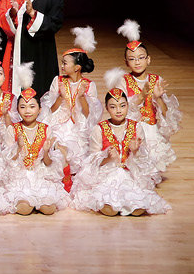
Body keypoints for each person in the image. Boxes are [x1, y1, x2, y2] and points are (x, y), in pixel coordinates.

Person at [70, 87, 170, 216]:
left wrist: (135, 151)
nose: (118, 110)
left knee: (138, 210)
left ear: (127, 106)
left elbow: (144, 162)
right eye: (113, 107)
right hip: (107, 175)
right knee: (110, 210)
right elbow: (92, 162)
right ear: (107, 108)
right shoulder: (99, 129)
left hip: (130, 175)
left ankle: (126, 205)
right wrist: (107, 157)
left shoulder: (136, 127)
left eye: (122, 106)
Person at [0, 0, 65, 96]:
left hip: (42, 51)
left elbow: (55, 23)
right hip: (16, 48)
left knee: (41, 89)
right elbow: (0, 16)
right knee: (15, 88)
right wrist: (12, 14)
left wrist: (33, 14)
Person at [5, 86, 70, 215]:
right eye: (23, 107)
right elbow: (8, 162)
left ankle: (36, 202)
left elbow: (47, 163)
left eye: (32, 107)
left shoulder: (46, 129)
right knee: (24, 209)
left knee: (48, 209)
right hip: (20, 176)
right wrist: (17, 148)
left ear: (40, 109)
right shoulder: (12, 129)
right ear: (17, 110)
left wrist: (46, 151)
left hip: (40, 176)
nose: (27, 111)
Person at [116, 20, 183, 141]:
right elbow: (120, 111)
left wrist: (158, 98)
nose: (137, 62)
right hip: (133, 134)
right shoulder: (123, 81)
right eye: (132, 59)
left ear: (148, 59)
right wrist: (141, 97)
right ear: (126, 62)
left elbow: (166, 114)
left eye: (141, 57)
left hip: (153, 133)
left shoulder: (156, 80)